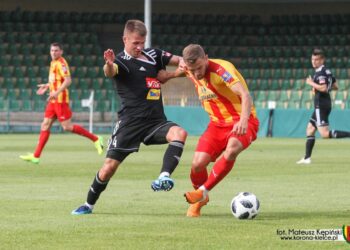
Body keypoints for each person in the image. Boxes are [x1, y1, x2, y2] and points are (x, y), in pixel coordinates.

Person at [71, 20, 187, 215]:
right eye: (135, 43)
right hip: (130, 123)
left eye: (142, 42)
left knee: (179, 133)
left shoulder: (154, 55)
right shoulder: (120, 61)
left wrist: (175, 71)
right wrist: (108, 64)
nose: (139, 47)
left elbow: (182, 62)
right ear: (125, 39)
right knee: (108, 168)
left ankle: (163, 177)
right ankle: (88, 204)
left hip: (155, 122)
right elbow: (110, 72)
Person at [160, 44, 259, 217]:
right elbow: (172, 70)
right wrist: (170, 75)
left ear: (206, 58)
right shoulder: (190, 69)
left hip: (242, 120)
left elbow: (245, 94)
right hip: (216, 124)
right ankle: (201, 198)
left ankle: (202, 192)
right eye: (192, 69)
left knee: (233, 147)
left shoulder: (222, 70)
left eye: (199, 67)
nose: (197, 73)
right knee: (197, 164)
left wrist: (243, 119)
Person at [20, 42, 103, 164]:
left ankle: (96, 139)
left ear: (61, 52)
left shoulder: (62, 63)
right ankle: (36, 156)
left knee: (67, 127)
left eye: (56, 50)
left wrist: (56, 92)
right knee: (45, 125)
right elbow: (56, 80)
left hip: (60, 100)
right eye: (52, 50)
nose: (54, 52)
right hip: (53, 100)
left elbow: (68, 80)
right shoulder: (53, 62)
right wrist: (48, 86)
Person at [296, 49, 350, 164]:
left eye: (316, 59)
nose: (314, 62)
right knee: (310, 129)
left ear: (322, 60)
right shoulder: (327, 71)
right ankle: (307, 158)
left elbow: (324, 88)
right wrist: (317, 86)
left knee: (324, 134)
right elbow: (335, 86)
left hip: (321, 105)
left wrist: (311, 84)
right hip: (322, 104)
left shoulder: (320, 73)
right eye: (312, 59)